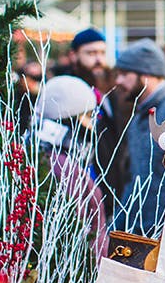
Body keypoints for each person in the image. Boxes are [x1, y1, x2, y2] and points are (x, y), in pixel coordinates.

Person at [112, 39, 165, 233]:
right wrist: (118, 228)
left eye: (124, 74)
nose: (118, 81)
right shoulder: (141, 116)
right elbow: (136, 179)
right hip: (142, 233)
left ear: (146, 74)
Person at [51, 28, 129, 212]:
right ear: (74, 55)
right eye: (91, 53)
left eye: (102, 53)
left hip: (114, 191)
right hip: (83, 195)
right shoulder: (65, 91)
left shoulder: (111, 89)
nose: (98, 60)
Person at [31, 75, 108, 253]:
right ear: (72, 118)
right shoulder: (63, 167)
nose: (94, 123)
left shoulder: (49, 154)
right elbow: (80, 232)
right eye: (90, 115)